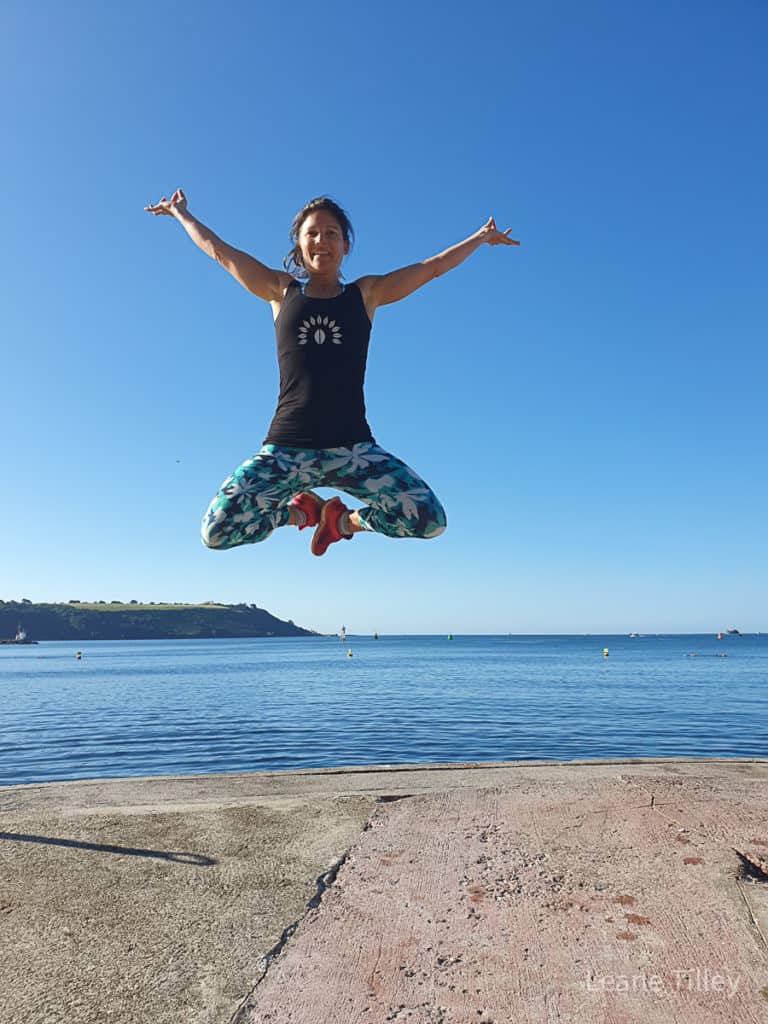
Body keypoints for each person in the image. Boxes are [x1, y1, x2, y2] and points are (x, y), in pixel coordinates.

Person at [144, 190, 519, 556]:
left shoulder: (366, 294)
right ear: (299, 244)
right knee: (217, 531)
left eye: (331, 234)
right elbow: (220, 253)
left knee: (430, 520)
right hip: (286, 448)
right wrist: (182, 214)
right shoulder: (280, 291)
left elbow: (433, 267)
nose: (321, 240)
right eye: (312, 233)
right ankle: (301, 512)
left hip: (353, 448)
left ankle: (341, 523)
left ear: (345, 246)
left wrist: (481, 237)